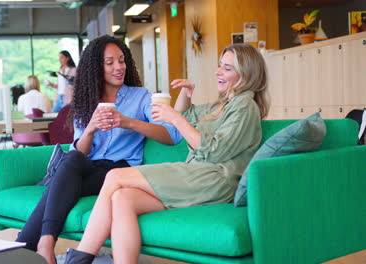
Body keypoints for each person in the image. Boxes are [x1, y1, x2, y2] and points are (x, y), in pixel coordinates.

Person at [65, 43, 270, 264]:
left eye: (227, 68)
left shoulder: (245, 106)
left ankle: (80, 258)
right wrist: (185, 94)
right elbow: (186, 117)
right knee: (122, 198)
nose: (218, 72)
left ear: (246, 74)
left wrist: (175, 118)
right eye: (220, 66)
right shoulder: (224, 104)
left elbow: (213, 151)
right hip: (199, 176)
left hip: (215, 179)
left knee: (114, 176)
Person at [15, 35, 182, 264]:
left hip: (119, 171)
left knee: (60, 182)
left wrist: (129, 122)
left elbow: (171, 136)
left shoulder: (140, 96)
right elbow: (81, 152)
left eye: (121, 60)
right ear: (96, 67)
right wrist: (91, 128)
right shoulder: (86, 101)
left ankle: (32, 244)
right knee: (72, 158)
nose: (118, 67)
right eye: (110, 62)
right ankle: (43, 243)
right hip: (86, 166)